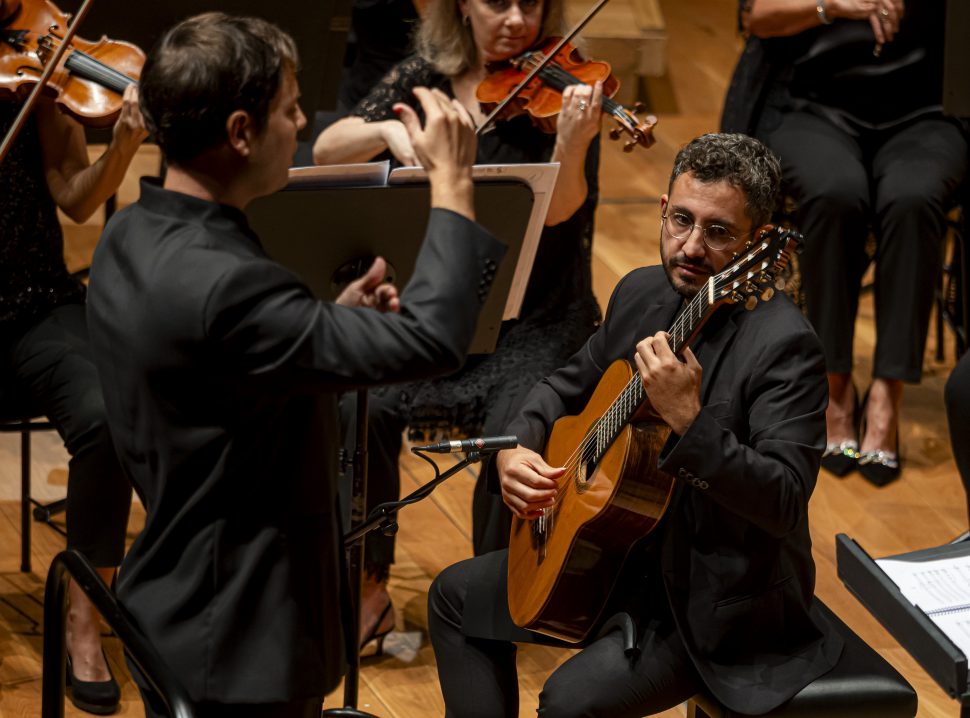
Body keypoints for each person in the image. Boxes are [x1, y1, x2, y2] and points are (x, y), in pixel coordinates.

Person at [85, 12, 506, 716]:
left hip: (171, 594)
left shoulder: (132, 230)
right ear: (241, 131)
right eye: (289, 108)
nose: (304, 120)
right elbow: (432, 342)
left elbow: (220, 375)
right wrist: (454, 185)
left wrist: (323, 322)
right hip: (244, 636)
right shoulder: (232, 287)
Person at [427, 133, 843, 717]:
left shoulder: (784, 345)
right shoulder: (642, 292)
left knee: (570, 701)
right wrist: (514, 450)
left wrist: (690, 422)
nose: (690, 247)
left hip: (707, 602)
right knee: (454, 597)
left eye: (718, 232)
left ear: (757, 243)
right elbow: (558, 388)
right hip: (615, 555)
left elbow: (783, 499)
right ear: (663, 210)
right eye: (680, 220)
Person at [312, 0, 604, 650]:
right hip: (441, 310)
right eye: (497, 1)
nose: (517, 20)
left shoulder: (568, 91)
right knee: (366, 401)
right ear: (461, 7)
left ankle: (491, 598)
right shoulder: (429, 74)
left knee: (512, 437)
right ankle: (367, 588)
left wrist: (573, 143)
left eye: (532, 3)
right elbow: (328, 144)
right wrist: (387, 135)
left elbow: (560, 215)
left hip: (537, 318)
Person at [721, 0, 969, 486]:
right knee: (834, 194)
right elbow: (756, 17)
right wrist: (834, 5)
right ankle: (834, 389)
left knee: (913, 199)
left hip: (927, 112)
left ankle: (886, 395)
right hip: (814, 107)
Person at [0, 0, 146, 712]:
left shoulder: (34, 69)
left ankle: (86, 619)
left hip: (34, 304)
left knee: (109, 417)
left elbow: (76, 198)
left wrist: (120, 146)